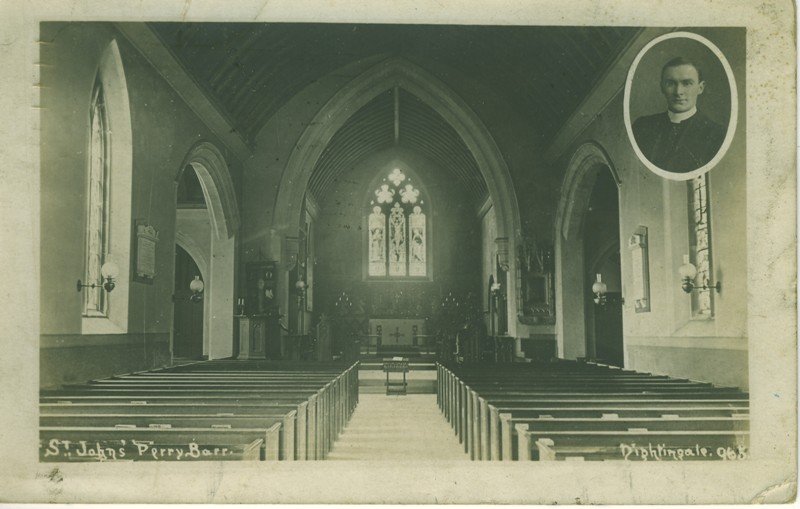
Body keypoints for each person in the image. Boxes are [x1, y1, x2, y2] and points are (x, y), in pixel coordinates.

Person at [633, 57, 726, 174]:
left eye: (687, 83)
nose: (678, 92)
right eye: (670, 83)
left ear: (700, 88)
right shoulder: (641, 127)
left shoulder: (716, 134)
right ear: (662, 87)